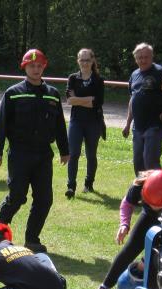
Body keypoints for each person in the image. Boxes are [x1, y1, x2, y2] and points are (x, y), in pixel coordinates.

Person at [0, 49, 70, 253]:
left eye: (39, 66)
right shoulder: (13, 93)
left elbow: (60, 124)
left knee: (44, 199)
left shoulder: (52, 95)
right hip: (19, 153)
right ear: (25, 67)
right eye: (31, 66)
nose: (36, 69)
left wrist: (65, 149)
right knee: (17, 195)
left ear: (44, 67)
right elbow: (1, 124)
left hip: (43, 154)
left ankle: (32, 238)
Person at [94, 170, 162, 289]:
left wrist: (146, 259)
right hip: (148, 216)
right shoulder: (140, 185)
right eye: (151, 204)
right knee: (131, 248)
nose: (154, 208)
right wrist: (124, 224)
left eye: (157, 206)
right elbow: (127, 203)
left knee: (158, 258)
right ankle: (104, 288)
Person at [122, 43, 162, 175]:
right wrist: (127, 124)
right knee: (138, 162)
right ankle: (142, 192)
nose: (143, 60)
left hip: (155, 125)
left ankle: (160, 190)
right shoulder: (134, 74)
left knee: (150, 161)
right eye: (140, 57)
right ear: (135, 59)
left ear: (152, 57)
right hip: (137, 126)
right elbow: (132, 99)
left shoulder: (161, 72)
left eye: (146, 57)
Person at [65, 48, 105, 198]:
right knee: (73, 153)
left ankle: (89, 183)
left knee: (91, 154)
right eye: (82, 60)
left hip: (93, 122)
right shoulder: (73, 78)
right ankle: (71, 186)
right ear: (78, 61)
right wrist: (88, 99)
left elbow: (98, 102)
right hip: (76, 121)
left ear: (92, 61)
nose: (85, 63)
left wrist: (79, 100)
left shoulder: (98, 80)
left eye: (87, 60)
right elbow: (69, 100)